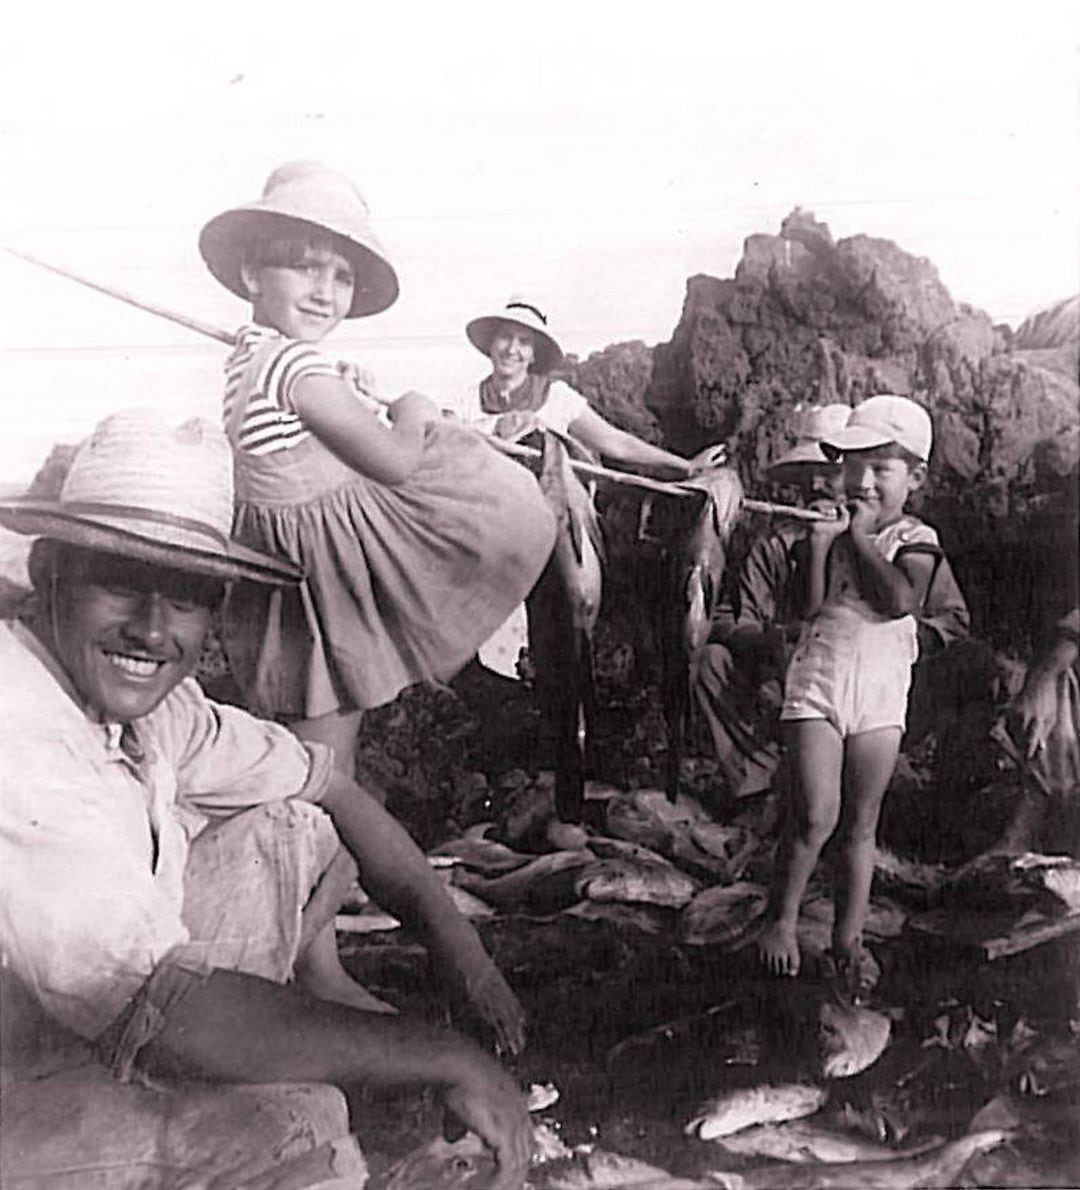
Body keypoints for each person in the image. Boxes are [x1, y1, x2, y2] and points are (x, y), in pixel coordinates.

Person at [0, 410, 532, 1189]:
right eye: (119, 581)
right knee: (297, 1127)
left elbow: (331, 783)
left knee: (289, 825)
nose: (152, 629)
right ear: (51, 573)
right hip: (20, 1083)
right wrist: (443, 1053)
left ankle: (257, 1047)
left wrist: (467, 962)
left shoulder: (154, 709)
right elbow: (156, 1007)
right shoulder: (21, 722)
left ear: (214, 610)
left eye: (184, 594)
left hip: (80, 1027)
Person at [198, 163, 557, 777]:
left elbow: (308, 428)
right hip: (324, 573)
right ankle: (325, 855)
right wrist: (413, 413)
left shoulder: (254, 356)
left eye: (340, 276)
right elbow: (394, 462)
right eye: (304, 266)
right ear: (252, 273)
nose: (324, 290)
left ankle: (321, 849)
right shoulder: (290, 365)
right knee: (323, 762)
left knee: (314, 750)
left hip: (296, 570)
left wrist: (343, 390)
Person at [757, 395, 948, 991]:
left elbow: (898, 601)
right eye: (852, 466)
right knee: (815, 813)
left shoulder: (916, 536)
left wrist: (860, 538)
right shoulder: (830, 530)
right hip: (820, 681)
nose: (862, 482)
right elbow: (806, 609)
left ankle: (847, 937)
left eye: (881, 470)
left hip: (881, 693)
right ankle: (780, 919)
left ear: (913, 479)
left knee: (861, 822)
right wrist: (819, 548)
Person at [693, 404, 852, 799]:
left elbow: (945, 621)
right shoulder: (775, 546)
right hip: (784, 677)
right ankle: (760, 787)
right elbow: (730, 619)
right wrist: (769, 641)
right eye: (809, 473)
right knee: (712, 660)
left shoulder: (884, 543)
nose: (817, 483)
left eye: (830, 472)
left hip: (860, 689)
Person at [464, 297, 724, 477]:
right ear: (491, 344)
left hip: (547, 509)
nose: (512, 349)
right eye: (505, 337)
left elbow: (615, 443)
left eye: (523, 342)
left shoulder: (556, 398)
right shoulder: (466, 403)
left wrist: (686, 466)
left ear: (533, 354)